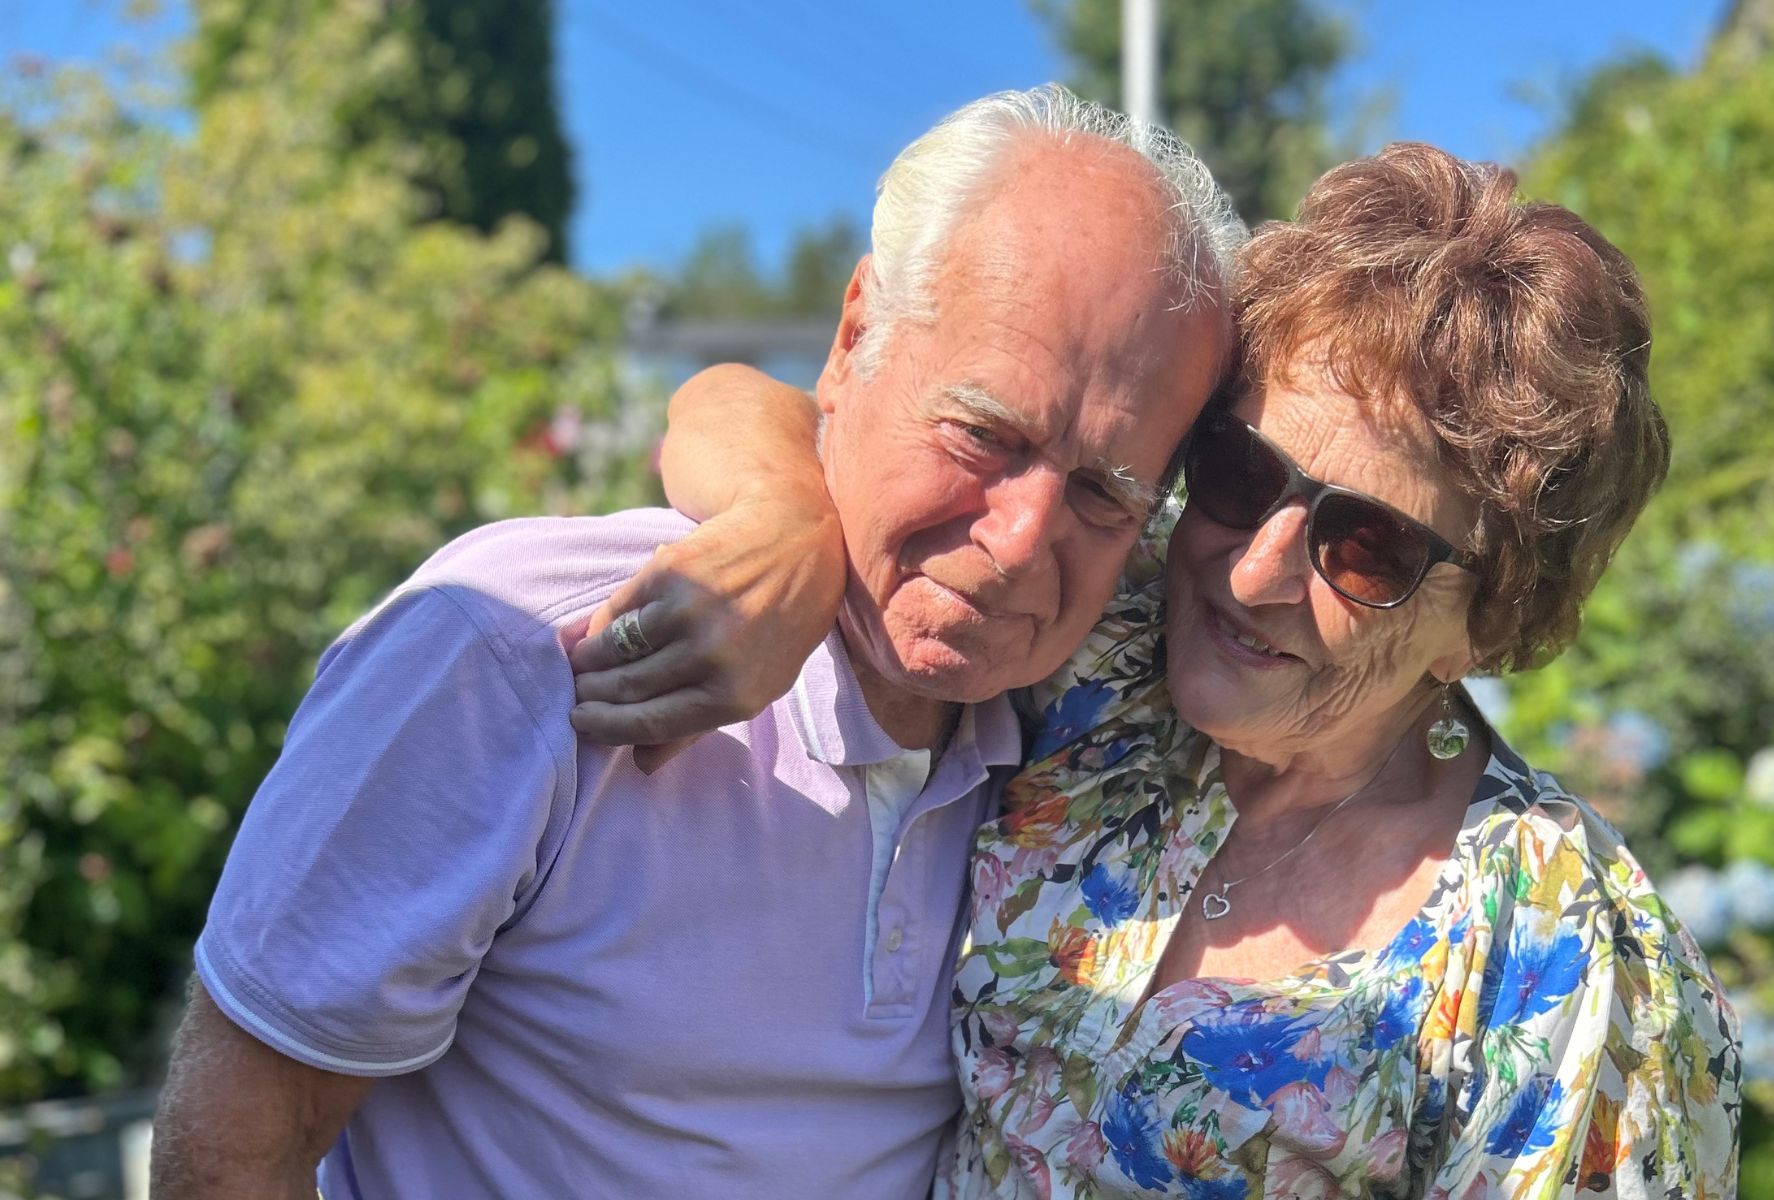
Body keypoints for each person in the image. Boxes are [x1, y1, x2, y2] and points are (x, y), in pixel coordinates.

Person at [577, 144, 1742, 1198]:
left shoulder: (1570, 960)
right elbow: (757, 404)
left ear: (1487, 621)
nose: (1252, 572)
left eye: (1365, 546)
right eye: (1241, 475)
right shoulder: (1104, 653)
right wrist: (781, 523)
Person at [149, 86, 1243, 1200]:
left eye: (1105, 492)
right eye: (984, 433)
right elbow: (236, 1151)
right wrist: (781, 511)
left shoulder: (1091, 731)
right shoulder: (511, 648)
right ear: (856, 337)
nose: (1019, 544)